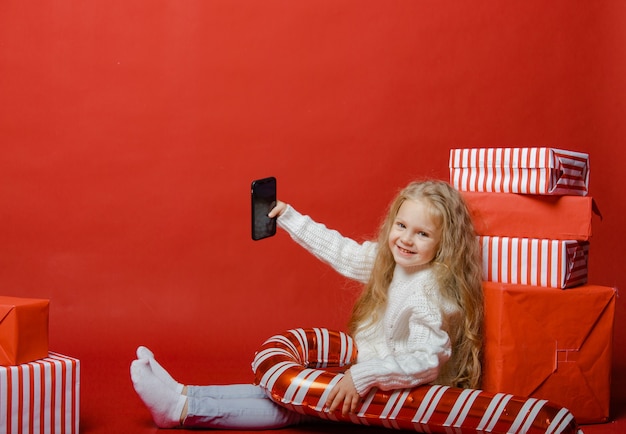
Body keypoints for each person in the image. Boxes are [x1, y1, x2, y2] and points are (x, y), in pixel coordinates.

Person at [130, 179, 484, 430]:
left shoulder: (428, 291)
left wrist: (363, 377)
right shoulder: (396, 264)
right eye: (402, 226)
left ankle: (182, 408)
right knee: (289, 398)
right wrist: (287, 217)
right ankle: (183, 394)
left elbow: (427, 361)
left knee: (293, 408)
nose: (406, 239)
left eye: (422, 234)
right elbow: (341, 251)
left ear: (444, 244)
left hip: (398, 394)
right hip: (375, 372)